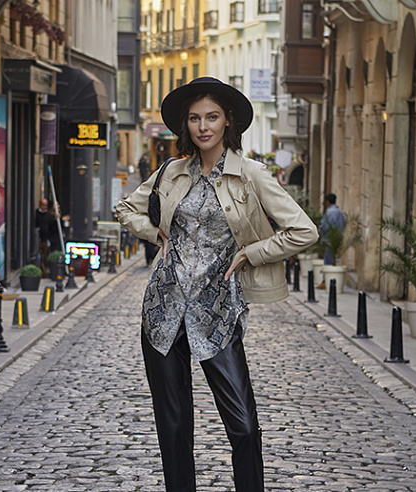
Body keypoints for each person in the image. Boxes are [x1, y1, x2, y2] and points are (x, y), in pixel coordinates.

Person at [115, 77, 318, 492]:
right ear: (185, 125)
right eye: (195, 118)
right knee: (173, 427)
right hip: (163, 310)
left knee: (243, 424)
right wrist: (156, 234)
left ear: (227, 121)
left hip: (218, 314)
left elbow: (304, 231)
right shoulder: (171, 172)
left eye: (211, 117)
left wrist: (253, 253)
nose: (203, 126)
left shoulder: (251, 175)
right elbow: (125, 209)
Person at [317, 193, 346, 288]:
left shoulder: (329, 212)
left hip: (329, 239)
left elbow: (325, 226)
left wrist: (320, 232)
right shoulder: (340, 212)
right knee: (333, 259)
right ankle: (332, 282)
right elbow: (343, 224)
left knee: (328, 260)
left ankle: (326, 281)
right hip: (337, 240)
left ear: (328, 202)